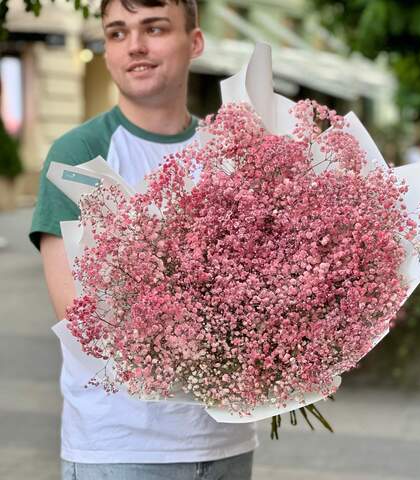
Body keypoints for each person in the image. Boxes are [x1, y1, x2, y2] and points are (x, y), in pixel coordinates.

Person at [29, 1, 258, 479]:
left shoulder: (234, 154)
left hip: (228, 441)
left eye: (154, 28)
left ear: (194, 42)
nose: (134, 46)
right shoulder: (80, 153)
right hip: (120, 449)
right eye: (117, 33)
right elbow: (80, 314)